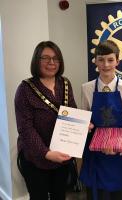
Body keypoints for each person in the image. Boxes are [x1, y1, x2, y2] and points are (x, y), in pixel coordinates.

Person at [15, 41, 77, 200]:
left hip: (61, 155)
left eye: (56, 58)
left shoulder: (65, 83)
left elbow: (72, 112)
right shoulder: (25, 89)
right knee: (38, 197)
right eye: (46, 58)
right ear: (37, 60)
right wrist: (46, 153)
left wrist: (82, 124)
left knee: (59, 195)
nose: (51, 62)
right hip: (35, 158)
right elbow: (25, 129)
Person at [79, 40, 122, 200]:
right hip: (95, 151)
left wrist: (118, 146)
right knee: (94, 194)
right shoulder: (86, 88)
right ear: (95, 61)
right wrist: (86, 125)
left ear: (117, 61)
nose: (106, 64)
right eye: (101, 59)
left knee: (118, 195)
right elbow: (84, 118)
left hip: (118, 152)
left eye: (110, 60)